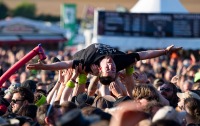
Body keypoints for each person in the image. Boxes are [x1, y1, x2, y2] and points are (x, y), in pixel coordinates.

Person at [27, 43, 181, 85]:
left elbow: (65, 64)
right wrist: (165, 51)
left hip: (78, 58)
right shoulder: (120, 61)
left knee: (65, 67)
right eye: (113, 69)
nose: (112, 66)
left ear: (99, 69)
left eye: (109, 69)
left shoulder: (87, 63)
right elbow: (144, 55)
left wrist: (44, 67)